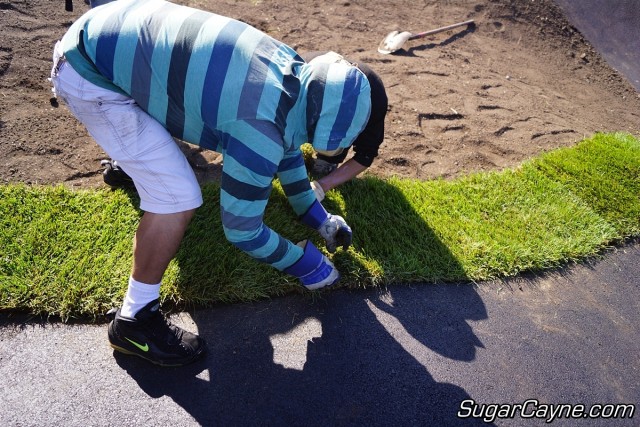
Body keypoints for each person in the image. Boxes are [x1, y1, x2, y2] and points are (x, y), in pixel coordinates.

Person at [50, 0, 371, 367]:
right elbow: (243, 230)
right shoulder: (260, 131)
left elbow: (287, 148)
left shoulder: (290, 69)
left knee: (162, 146)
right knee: (178, 196)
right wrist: (308, 266)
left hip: (107, 28)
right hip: (87, 72)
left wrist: (317, 217)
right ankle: (134, 321)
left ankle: (133, 162)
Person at [301, 52, 388, 202]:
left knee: (328, 157)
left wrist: (321, 186)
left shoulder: (375, 98)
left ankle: (328, 159)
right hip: (307, 90)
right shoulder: (296, 77)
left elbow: (366, 154)